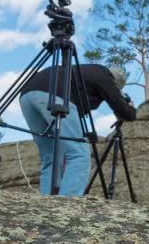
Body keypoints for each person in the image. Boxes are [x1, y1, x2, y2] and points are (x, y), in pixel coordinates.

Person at [19, 64, 136, 197]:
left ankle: (47, 202)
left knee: (51, 157)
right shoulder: (104, 74)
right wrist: (130, 108)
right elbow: (124, 110)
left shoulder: (81, 73)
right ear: (116, 81)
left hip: (26, 96)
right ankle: (68, 205)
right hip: (56, 96)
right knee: (79, 154)